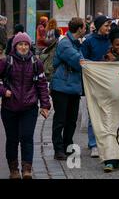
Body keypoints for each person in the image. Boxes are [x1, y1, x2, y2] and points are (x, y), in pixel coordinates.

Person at [0, 32, 50, 179]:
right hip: (9, 107)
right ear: (15, 46)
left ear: (30, 46)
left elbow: (42, 85)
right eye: (20, 44)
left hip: (30, 108)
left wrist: (45, 105)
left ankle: (27, 169)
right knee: (12, 139)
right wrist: (4, 91)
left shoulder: (36, 62)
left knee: (27, 137)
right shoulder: (6, 62)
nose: (23, 47)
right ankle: (13, 169)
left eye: (26, 44)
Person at [51, 17, 86, 161]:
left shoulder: (75, 43)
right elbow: (79, 62)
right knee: (60, 120)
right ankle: (58, 149)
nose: (86, 29)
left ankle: (68, 146)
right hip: (61, 87)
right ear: (79, 29)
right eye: (85, 27)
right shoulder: (65, 43)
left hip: (73, 88)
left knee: (71, 120)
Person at [81, 15, 113, 158]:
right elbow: (83, 60)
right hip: (93, 82)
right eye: (106, 25)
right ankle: (93, 144)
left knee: (107, 113)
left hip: (109, 82)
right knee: (93, 113)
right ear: (99, 26)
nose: (108, 28)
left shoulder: (111, 40)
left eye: (110, 26)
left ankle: (104, 142)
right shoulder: (89, 41)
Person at [102, 27, 119, 172]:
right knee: (110, 129)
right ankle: (109, 160)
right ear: (112, 44)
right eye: (117, 45)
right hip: (110, 99)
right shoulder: (106, 58)